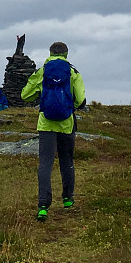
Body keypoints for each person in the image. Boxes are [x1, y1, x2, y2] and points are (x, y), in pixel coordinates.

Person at [21, 41, 86, 221]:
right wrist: (68, 108)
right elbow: (80, 100)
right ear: (66, 54)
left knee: (45, 164)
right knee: (67, 160)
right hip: (66, 124)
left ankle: (43, 206)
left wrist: (40, 96)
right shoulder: (73, 72)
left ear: (50, 52)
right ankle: (67, 199)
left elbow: (25, 95)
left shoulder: (42, 72)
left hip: (46, 124)